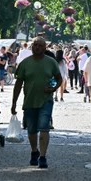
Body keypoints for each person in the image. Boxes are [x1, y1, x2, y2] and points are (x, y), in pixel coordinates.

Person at [11, 37, 62, 169]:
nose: (37, 47)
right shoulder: (25, 63)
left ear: (45, 48)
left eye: (40, 45)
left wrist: (54, 88)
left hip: (46, 100)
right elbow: (18, 83)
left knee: (44, 127)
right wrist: (14, 102)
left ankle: (43, 157)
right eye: (35, 45)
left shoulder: (51, 62)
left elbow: (59, 79)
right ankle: (34, 151)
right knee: (32, 130)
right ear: (31, 47)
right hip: (29, 101)